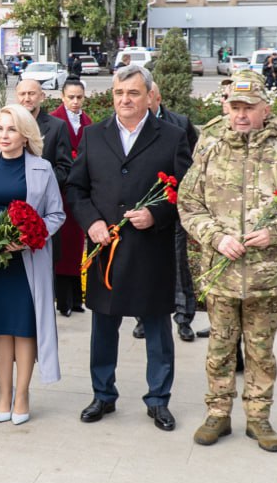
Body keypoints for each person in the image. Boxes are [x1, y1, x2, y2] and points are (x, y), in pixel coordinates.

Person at [178, 71, 277, 452]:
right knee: (220, 349)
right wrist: (216, 236)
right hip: (221, 271)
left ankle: (259, 419)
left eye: (249, 108)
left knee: (260, 351)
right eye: (235, 107)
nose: (241, 115)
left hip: (267, 275)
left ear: (265, 109)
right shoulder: (210, 148)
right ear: (227, 108)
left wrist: (276, 231)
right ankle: (218, 414)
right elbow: (188, 203)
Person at [67, 65, 192, 431]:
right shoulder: (93, 135)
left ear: (149, 96)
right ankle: (103, 394)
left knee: (156, 327)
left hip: (150, 251)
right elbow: (77, 189)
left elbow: (186, 192)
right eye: (120, 93)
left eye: (133, 93)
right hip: (106, 248)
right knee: (104, 326)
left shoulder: (171, 137)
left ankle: (158, 399)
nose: (125, 100)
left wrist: (157, 214)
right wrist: (90, 222)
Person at [0, 104, 65, 424]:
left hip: (26, 262)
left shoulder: (41, 169)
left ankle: (22, 395)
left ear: (25, 135)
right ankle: (3, 395)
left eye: (10, 129)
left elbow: (56, 215)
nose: (3, 135)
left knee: (24, 327)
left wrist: (29, 238)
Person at [133, 85, 202, 341]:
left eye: (145, 97)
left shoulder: (180, 124)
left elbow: (192, 164)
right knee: (143, 265)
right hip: (142, 209)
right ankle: (143, 317)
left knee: (178, 264)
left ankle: (184, 318)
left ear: (156, 98)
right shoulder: (133, 125)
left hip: (172, 208)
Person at [49, 78, 90, 317]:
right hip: (59, 189)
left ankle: (76, 298)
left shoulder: (88, 122)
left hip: (79, 190)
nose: (75, 102)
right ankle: (62, 300)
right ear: (62, 97)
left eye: (79, 97)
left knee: (76, 243)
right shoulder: (55, 121)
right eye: (71, 97)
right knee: (62, 244)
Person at [14, 79, 72, 187]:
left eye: (31, 94)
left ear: (42, 96)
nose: (27, 99)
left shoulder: (57, 127)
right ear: (16, 97)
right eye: (22, 94)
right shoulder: (8, 126)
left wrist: (39, 184)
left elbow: (64, 168)